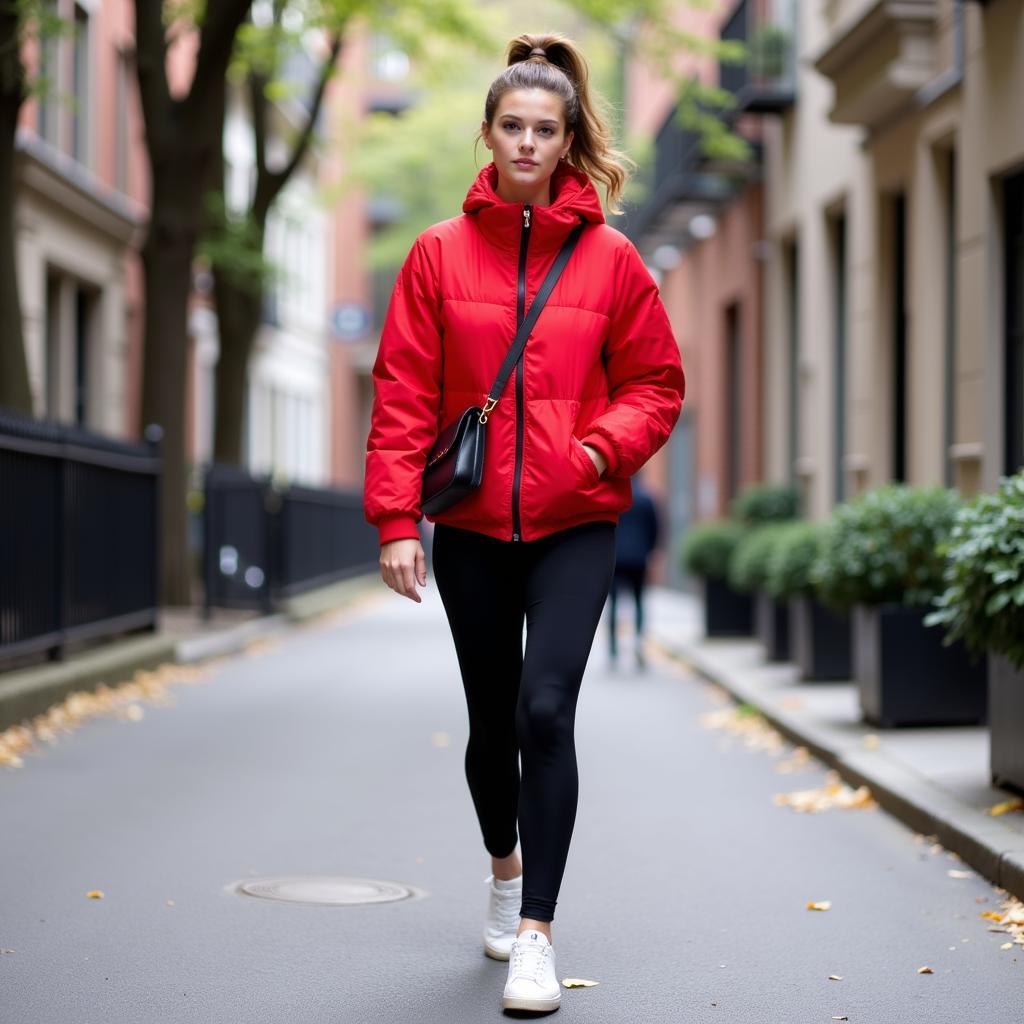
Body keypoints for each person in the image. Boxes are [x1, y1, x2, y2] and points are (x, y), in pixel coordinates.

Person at [363, 31, 685, 1014]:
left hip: (573, 520)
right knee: (490, 721)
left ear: (567, 137)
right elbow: (403, 392)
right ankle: (503, 868)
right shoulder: (434, 254)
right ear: (488, 133)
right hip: (467, 526)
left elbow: (655, 382)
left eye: (547, 129)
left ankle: (536, 932)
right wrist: (395, 520)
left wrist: (594, 452)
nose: (529, 143)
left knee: (547, 711)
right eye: (513, 126)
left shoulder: (613, 259)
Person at [608, 475, 661, 671]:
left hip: (616, 558)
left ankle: (613, 649)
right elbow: (655, 529)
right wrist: (652, 551)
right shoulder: (647, 499)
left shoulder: (615, 498)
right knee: (638, 602)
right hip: (639, 559)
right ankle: (638, 643)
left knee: (613, 604)